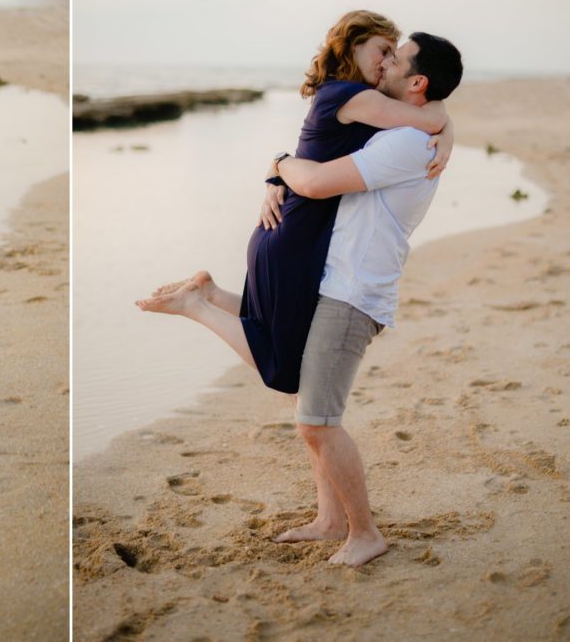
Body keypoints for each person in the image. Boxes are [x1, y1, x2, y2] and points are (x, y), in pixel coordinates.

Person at [138, 30, 464, 567]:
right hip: (331, 282)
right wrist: (279, 171)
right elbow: (414, 120)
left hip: (354, 294)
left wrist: (281, 164)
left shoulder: (406, 142)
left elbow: (312, 182)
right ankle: (330, 519)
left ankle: (364, 533)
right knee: (305, 405)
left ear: (418, 81)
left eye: (396, 59)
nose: (385, 65)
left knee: (317, 421)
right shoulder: (402, 126)